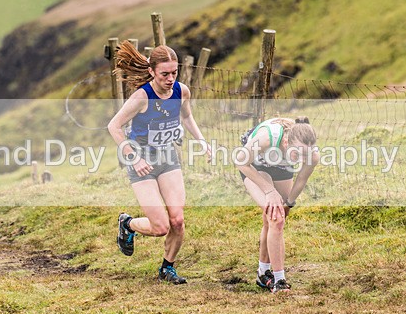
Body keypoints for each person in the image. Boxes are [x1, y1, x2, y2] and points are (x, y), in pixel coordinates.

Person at [107, 41, 212, 284]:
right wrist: (134, 158)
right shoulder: (142, 97)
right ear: (152, 71)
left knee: (177, 220)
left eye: (174, 73)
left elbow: (187, 116)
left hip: (167, 158)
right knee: (160, 226)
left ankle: (168, 267)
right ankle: (128, 224)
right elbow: (113, 126)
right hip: (141, 162)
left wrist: (202, 141)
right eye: (164, 73)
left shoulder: (181, 91)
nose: (170, 78)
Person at [237, 117, 319, 293]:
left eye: (305, 155)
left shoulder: (311, 154)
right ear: (287, 141)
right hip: (254, 165)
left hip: (281, 167)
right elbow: (240, 161)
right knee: (276, 217)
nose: (302, 158)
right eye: (298, 154)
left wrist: (289, 203)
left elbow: (301, 179)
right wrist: (269, 191)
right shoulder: (268, 138)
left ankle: (263, 272)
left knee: (276, 218)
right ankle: (279, 281)